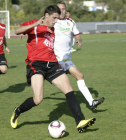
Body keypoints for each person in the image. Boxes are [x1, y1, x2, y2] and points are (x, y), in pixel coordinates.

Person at [10, 5, 96, 133]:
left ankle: (80, 122)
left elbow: (68, 31)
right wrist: (33, 26)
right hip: (36, 64)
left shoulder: (55, 28)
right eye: (54, 18)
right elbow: (17, 31)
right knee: (38, 99)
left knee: (69, 90)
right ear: (46, 16)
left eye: (57, 18)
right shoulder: (34, 25)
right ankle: (18, 111)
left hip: (52, 64)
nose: (56, 21)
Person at [54, 1, 105, 110]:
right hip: (58, 57)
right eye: (59, 9)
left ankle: (91, 102)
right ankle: (91, 102)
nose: (61, 11)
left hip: (67, 57)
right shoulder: (53, 22)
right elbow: (38, 26)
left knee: (69, 82)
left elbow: (77, 34)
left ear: (66, 10)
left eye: (63, 9)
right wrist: (23, 32)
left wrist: (78, 40)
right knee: (79, 76)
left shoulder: (71, 22)